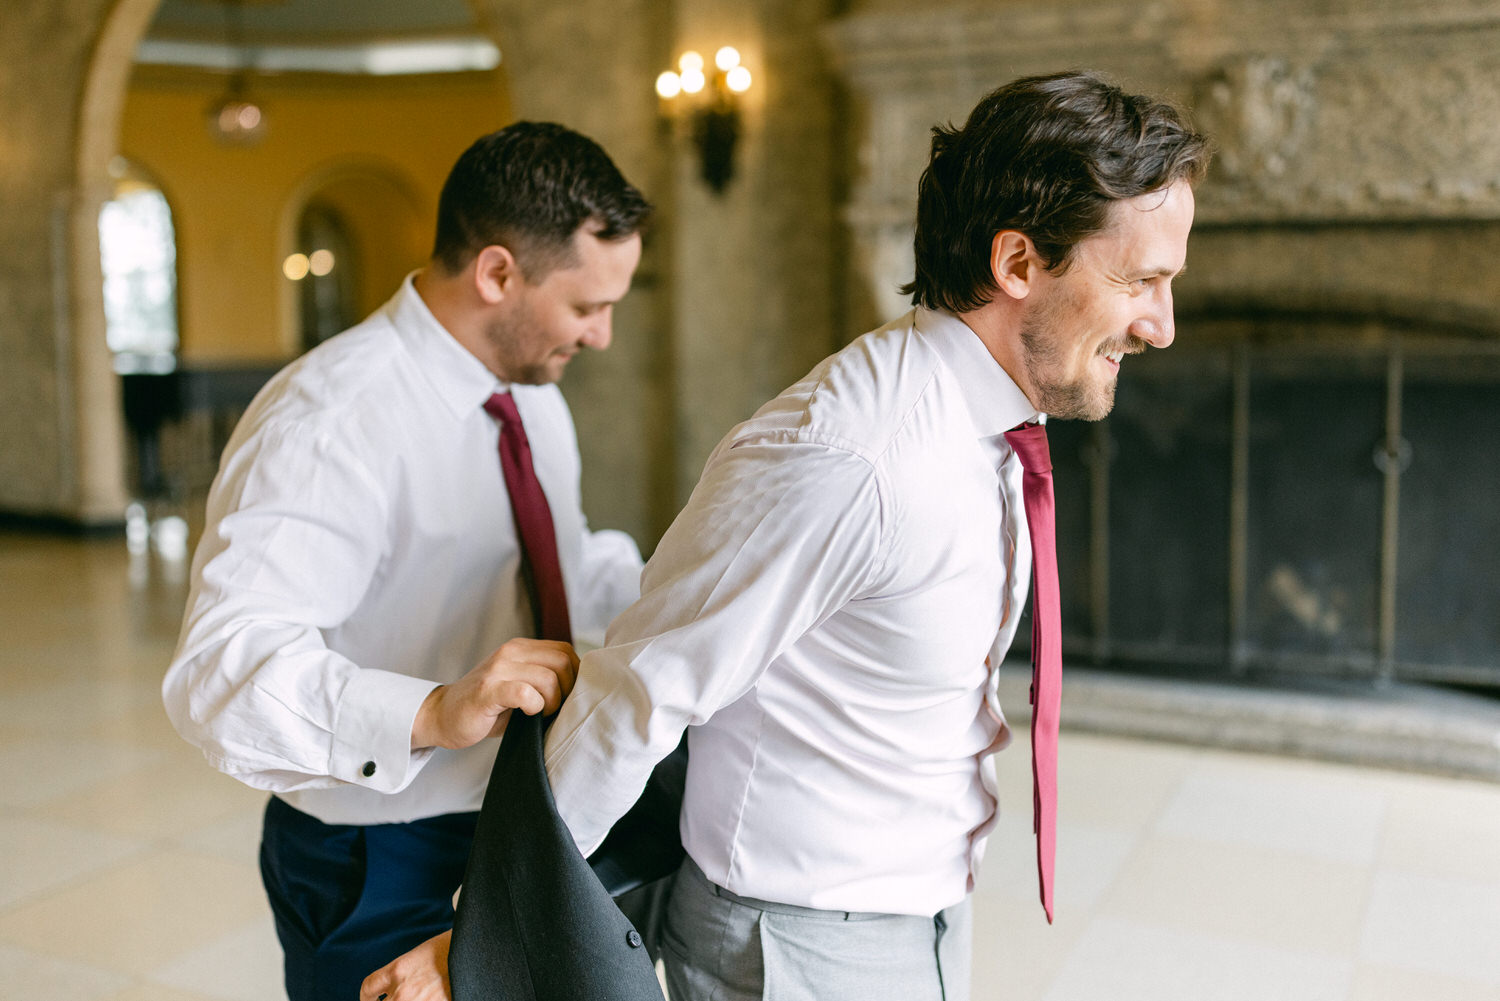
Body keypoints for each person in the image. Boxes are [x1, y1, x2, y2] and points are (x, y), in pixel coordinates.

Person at [365, 69, 1210, 1001]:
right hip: (798, 947)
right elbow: (641, 690)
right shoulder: (851, 456)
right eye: (1141, 280)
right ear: (1018, 264)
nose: (1162, 325)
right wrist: (477, 942)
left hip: (915, 908)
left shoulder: (994, 416)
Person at [162, 121, 652, 1001]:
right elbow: (217, 670)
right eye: (587, 306)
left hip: (517, 824)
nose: (603, 335)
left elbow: (562, 561)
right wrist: (430, 708)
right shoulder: (330, 419)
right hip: (376, 852)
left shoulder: (531, 397)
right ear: (497, 272)